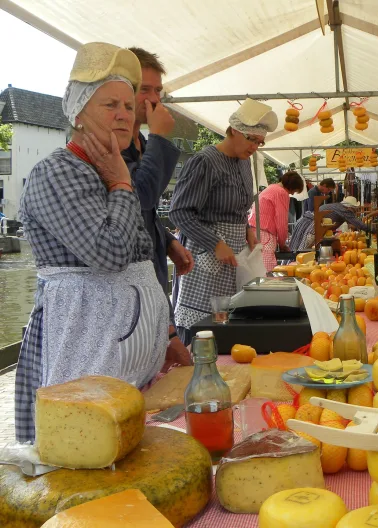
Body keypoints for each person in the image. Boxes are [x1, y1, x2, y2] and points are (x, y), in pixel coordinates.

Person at [15, 43, 169, 442]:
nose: (123, 113)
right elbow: (110, 253)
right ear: (79, 114)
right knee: (85, 447)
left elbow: (141, 253)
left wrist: (163, 336)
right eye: (109, 105)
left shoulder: (109, 166)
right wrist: (120, 183)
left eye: (127, 105)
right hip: (83, 351)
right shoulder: (57, 172)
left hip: (122, 361)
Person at [169, 98, 277, 342]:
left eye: (260, 142)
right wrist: (215, 243)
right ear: (234, 130)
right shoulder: (205, 161)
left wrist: (247, 228)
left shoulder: (244, 164)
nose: (255, 147)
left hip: (235, 255)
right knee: (203, 329)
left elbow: (240, 209)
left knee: (231, 323)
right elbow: (180, 211)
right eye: (251, 139)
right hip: (205, 257)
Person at [122, 47, 193, 371]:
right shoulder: (112, 147)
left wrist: (168, 242)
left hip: (151, 291)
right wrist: (161, 136)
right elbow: (141, 198)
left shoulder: (140, 145)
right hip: (125, 305)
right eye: (145, 90)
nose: (153, 100)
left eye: (157, 91)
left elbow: (144, 215)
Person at [249, 170, 304, 271]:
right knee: (268, 271)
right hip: (265, 234)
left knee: (256, 268)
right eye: (294, 191)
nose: (292, 194)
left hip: (252, 231)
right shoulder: (281, 193)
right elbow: (282, 221)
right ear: (291, 186)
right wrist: (282, 243)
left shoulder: (271, 188)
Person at [289, 196, 373, 251]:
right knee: (302, 249)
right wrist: (374, 230)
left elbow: (352, 223)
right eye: (354, 209)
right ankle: (294, 268)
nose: (354, 212)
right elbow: (359, 224)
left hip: (305, 222)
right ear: (350, 207)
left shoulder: (338, 207)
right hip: (312, 225)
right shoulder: (345, 210)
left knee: (297, 245)